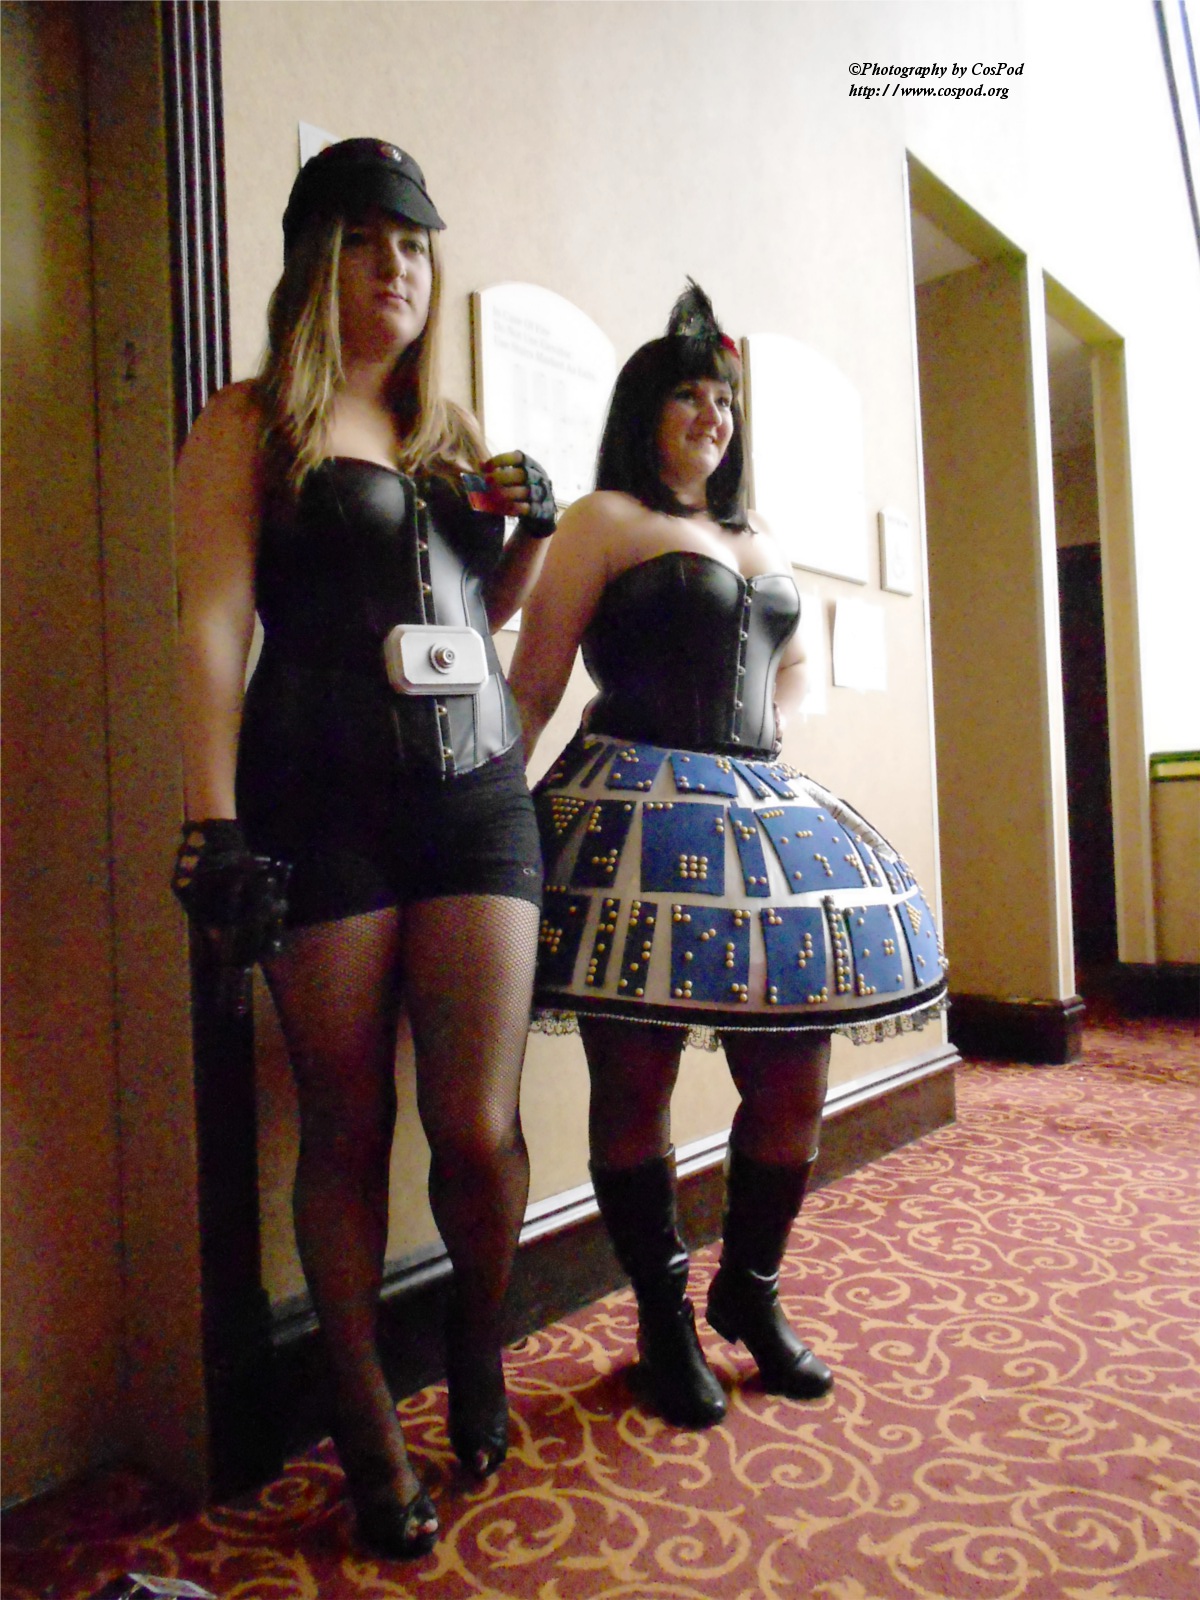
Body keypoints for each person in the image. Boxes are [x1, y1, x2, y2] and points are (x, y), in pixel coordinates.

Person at [172, 139, 557, 1558]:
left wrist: (527, 534)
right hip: (316, 799)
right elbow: (214, 619)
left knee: (478, 1124)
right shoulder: (251, 422)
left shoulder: (449, 441)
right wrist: (214, 820)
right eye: (365, 240)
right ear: (312, 260)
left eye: (414, 246)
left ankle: (474, 1341)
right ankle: (363, 1422)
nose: (396, 266)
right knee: (345, 1124)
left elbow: (484, 621)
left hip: (476, 797)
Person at [509, 282, 946, 1430]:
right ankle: (662, 1320)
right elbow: (536, 679)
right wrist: (485, 808)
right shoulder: (605, 519)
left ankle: (748, 1290)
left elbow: (791, 670)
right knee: (635, 1081)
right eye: (690, 396)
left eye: (724, 399)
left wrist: (773, 740)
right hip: (629, 813)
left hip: (758, 811)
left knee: (795, 1074)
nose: (713, 414)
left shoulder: (759, 538)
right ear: (644, 411)